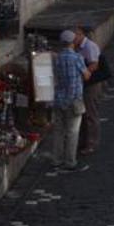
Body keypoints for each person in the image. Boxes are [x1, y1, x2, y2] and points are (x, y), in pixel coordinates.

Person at [50, 26, 88, 171]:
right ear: (73, 42)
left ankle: (56, 159)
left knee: (59, 131)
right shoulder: (77, 57)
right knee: (73, 132)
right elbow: (85, 75)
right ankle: (70, 161)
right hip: (73, 100)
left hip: (59, 99)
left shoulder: (58, 58)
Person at [76, 27, 109, 159]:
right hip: (84, 83)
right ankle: (84, 141)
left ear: (80, 34)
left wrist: (82, 73)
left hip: (91, 84)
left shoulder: (89, 47)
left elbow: (94, 65)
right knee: (84, 114)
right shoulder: (78, 47)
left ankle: (92, 143)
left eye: (75, 36)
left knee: (91, 113)